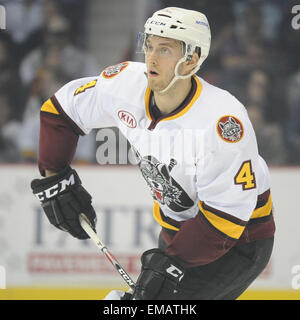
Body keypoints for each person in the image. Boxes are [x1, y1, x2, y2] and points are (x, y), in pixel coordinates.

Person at [30, 7, 275, 300]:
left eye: (165, 49)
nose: (151, 58)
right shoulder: (125, 83)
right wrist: (55, 178)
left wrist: (168, 265)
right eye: (148, 46)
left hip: (238, 243)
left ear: (191, 59)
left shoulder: (222, 122)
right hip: (179, 234)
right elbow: (60, 111)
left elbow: (225, 220)